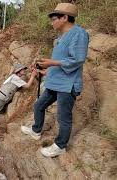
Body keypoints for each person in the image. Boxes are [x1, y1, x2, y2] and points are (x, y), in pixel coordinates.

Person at [21, 3, 89, 157]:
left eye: (54, 19)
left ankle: (60, 146)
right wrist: (45, 70)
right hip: (55, 82)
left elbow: (77, 60)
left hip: (67, 85)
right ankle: (36, 130)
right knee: (39, 105)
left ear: (65, 18)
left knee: (63, 117)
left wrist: (51, 62)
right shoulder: (60, 38)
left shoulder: (79, 34)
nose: (51, 22)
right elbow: (59, 62)